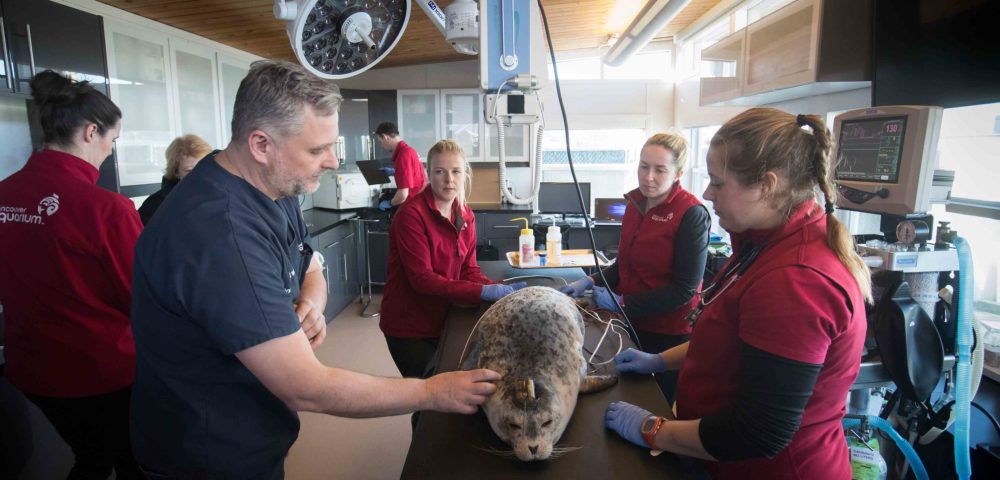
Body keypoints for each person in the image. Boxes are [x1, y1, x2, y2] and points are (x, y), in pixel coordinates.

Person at [129, 61, 500, 479]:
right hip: (205, 455)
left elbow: (309, 261)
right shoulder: (220, 234)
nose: (331, 161)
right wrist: (432, 391)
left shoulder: (275, 185)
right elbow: (306, 386)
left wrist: (313, 298)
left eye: (333, 144)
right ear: (261, 144)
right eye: (316, 150)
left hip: (258, 431)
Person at [603, 108, 872, 480]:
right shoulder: (763, 244)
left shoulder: (795, 280)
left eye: (718, 182)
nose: (707, 192)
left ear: (767, 185)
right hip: (722, 456)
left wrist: (654, 430)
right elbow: (730, 339)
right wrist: (661, 361)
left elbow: (757, 432)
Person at [0, 71, 143, 479]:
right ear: (90, 131)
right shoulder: (107, 209)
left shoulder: (2, 195)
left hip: (33, 371)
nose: (109, 152)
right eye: (111, 141)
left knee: (92, 458)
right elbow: (142, 299)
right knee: (137, 461)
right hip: (104, 373)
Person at [560, 133, 710, 403]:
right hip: (629, 324)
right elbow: (623, 265)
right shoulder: (634, 205)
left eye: (659, 170)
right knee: (622, 396)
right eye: (643, 166)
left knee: (654, 404)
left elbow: (684, 290)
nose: (647, 177)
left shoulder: (692, 214)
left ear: (678, 173)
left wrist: (622, 302)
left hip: (668, 335)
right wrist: (591, 281)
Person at [379, 139, 526, 380]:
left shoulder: (465, 214)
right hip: (409, 327)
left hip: (444, 317)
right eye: (440, 172)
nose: (449, 179)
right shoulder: (411, 216)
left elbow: (469, 269)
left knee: (450, 387)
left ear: (465, 173)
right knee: (428, 401)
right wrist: (482, 293)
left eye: (456, 171)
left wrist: (497, 290)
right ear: (429, 174)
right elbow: (422, 280)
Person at [137, 134, 212, 225]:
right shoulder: (157, 204)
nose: (199, 176)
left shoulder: (216, 195)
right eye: (189, 171)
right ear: (176, 172)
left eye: (202, 168)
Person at [374, 122, 427, 210]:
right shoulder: (409, 150)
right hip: (419, 203)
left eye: (380, 142)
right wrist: (395, 171)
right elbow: (413, 174)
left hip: (413, 206)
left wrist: (390, 203)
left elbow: (403, 195)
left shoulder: (403, 155)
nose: (382, 146)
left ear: (385, 137)